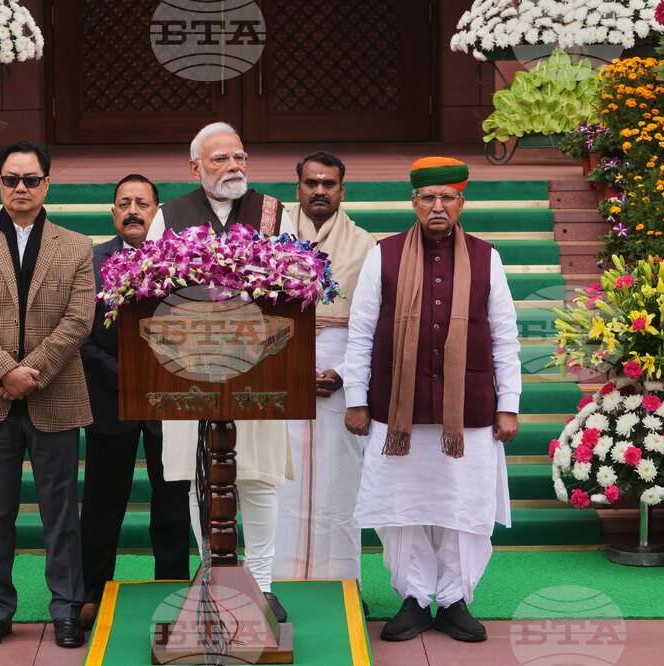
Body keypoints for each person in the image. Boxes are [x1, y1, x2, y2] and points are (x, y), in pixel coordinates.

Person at [343, 157, 520, 643]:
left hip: (469, 410)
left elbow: (505, 336)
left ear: (462, 203)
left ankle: (456, 598)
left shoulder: (487, 257)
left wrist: (509, 403)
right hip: (396, 408)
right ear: (414, 202)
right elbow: (361, 331)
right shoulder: (383, 255)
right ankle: (415, 598)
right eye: (428, 197)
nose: (437, 205)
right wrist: (356, 397)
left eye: (447, 197)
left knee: (466, 505)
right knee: (400, 507)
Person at [0, 141, 95, 650]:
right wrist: (4, 372)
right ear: (0, 183)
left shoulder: (76, 246)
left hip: (55, 393)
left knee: (61, 512)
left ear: (47, 183)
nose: (21, 188)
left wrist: (32, 371)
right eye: (11, 179)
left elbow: (79, 319)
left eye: (31, 179)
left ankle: (67, 609)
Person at [146, 122, 295, 622]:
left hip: (260, 367)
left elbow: (296, 283)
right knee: (199, 478)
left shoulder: (273, 212)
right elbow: (148, 290)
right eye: (220, 159)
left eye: (240, 157)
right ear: (195, 167)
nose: (234, 167)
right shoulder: (168, 216)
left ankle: (264, 585)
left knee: (258, 478)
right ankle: (212, 577)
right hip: (190, 371)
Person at [77, 174, 191, 629]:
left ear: (157, 212)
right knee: (102, 505)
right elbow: (80, 335)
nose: (132, 211)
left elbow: (193, 326)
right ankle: (92, 591)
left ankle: (173, 590)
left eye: (142, 203)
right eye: (124, 203)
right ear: (113, 213)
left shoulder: (181, 259)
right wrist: (127, 378)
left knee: (172, 504)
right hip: (110, 397)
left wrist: (160, 377)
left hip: (170, 399)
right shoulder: (91, 261)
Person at [273, 151, 375, 586]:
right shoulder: (269, 238)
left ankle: (343, 584)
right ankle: (274, 581)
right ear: (297, 188)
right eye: (311, 183)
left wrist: (345, 372)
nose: (319, 191)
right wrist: (288, 368)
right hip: (279, 368)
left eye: (328, 184)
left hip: (341, 376)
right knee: (280, 479)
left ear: (341, 190)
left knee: (340, 481)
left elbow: (375, 323)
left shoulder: (366, 245)